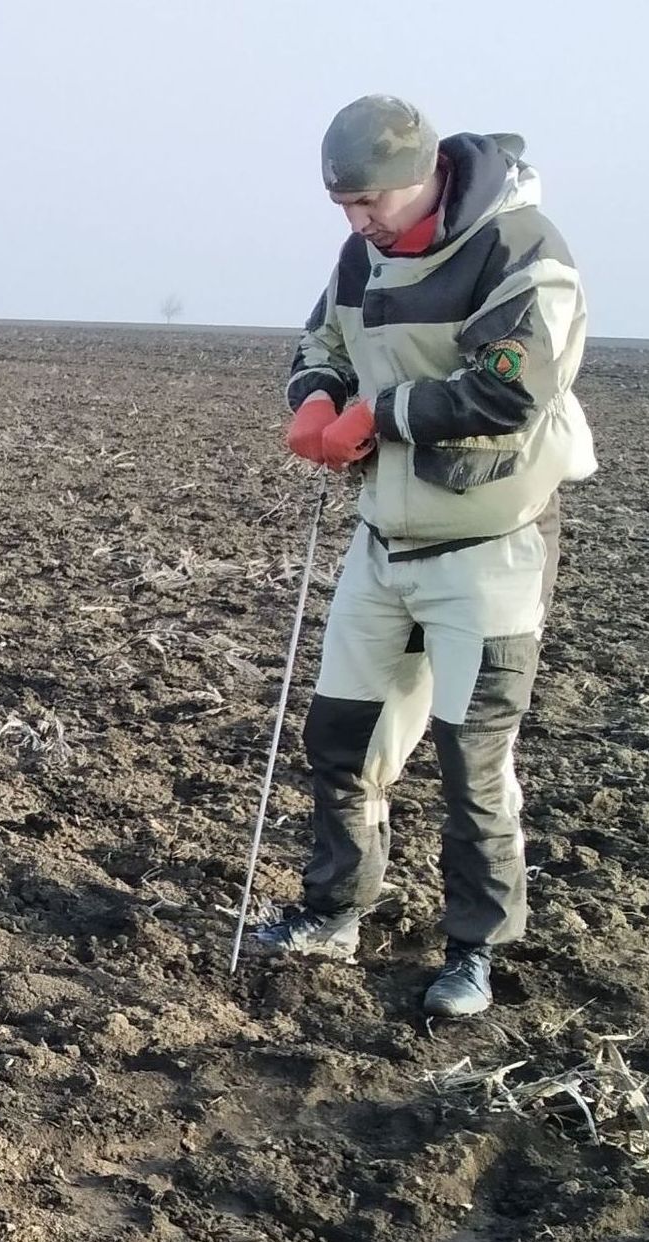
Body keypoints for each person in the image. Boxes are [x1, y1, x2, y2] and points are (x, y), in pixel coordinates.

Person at [258, 95, 593, 1017]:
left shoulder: (518, 248)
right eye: (342, 206)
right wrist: (316, 397)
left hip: (487, 551)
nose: (356, 221)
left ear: (426, 173)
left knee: (471, 758)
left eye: (368, 201)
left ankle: (474, 951)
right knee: (341, 739)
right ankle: (333, 912)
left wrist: (379, 415)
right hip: (382, 543)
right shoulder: (359, 254)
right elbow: (323, 340)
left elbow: (508, 387)